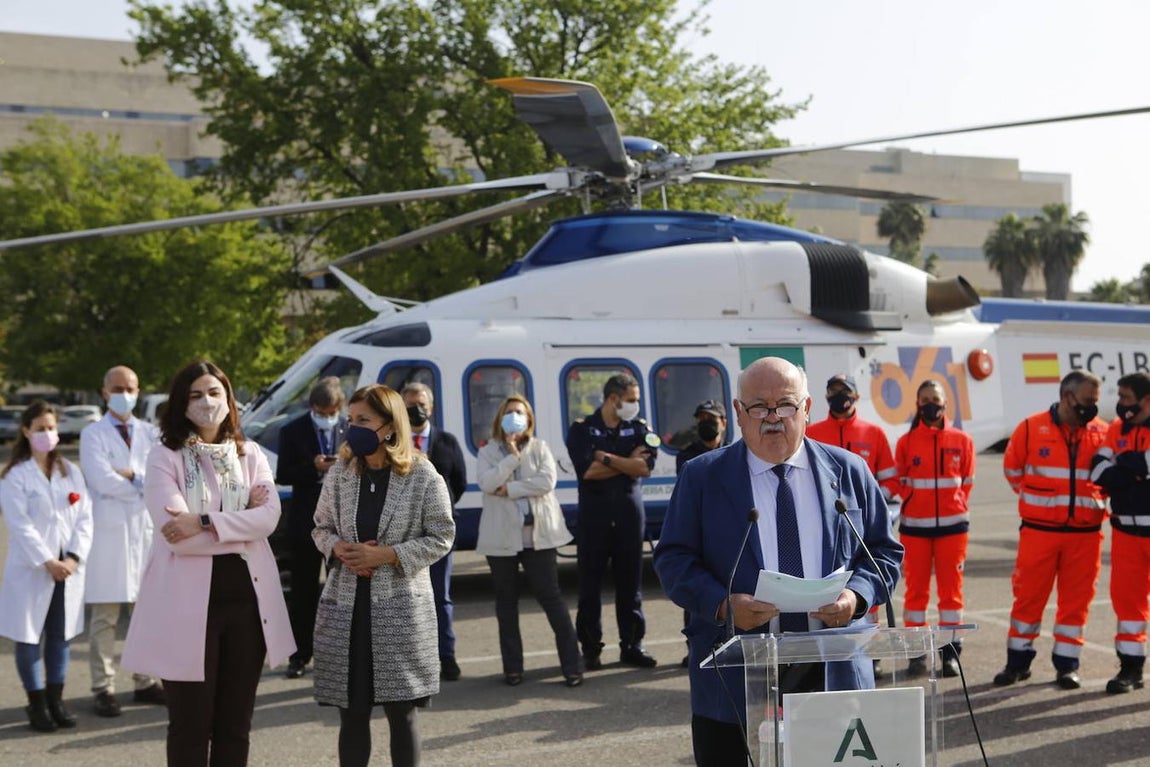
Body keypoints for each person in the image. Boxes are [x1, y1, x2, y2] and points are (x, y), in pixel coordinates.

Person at [653, 357, 902, 767]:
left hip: (832, 672)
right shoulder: (702, 477)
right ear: (738, 413)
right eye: (758, 407)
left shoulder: (849, 471)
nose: (772, 418)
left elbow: (884, 552)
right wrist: (721, 604)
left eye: (785, 405)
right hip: (734, 675)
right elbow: (674, 559)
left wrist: (857, 597)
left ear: (806, 409)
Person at [121, 360, 295, 766]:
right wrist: (240, 526)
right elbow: (176, 537)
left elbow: (268, 520)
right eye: (196, 395)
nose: (207, 402)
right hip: (186, 611)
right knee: (190, 725)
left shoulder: (249, 453)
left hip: (247, 607)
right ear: (180, 402)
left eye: (215, 393)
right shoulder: (164, 457)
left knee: (236, 725)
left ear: (230, 400)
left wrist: (203, 520)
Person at [312, 384, 455, 767]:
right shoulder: (342, 472)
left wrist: (388, 554)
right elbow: (320, 527)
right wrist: (337, 548)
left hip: (400, 612)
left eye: (364, 420)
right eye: (351, 420)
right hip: (348, 609)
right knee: (352, 713)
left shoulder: (423, 474)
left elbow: (442, 536)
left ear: (390, 426)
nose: (352, 428)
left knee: (401, 711)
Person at [994, 369, 1108, 690]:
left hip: (1086, 536)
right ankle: (1017, 663)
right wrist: (1042, 504)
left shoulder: (1103, 432)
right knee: (1028, 598)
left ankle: (1067, 666)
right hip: (1039, 533)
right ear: (1067, 397)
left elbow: (1109, 479)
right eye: (1089, 400)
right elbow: (1013, 470)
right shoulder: (1030, 428)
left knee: (1076, 603)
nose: (1093, 406)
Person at [475, 394, 583, 688]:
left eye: (519, 413)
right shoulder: (488, 452)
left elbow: (547, 482)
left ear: (529, 419)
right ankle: (513, 669)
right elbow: (486, 483)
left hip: (540, 537)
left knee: (552, 599)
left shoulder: (540, 447)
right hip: (501, 540)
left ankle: (572, 666)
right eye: (509, 412)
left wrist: (508, 488)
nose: (514, 417)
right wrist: (511, 457)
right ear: (500, 418)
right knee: (506, 604)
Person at [0, 401, 93, 733]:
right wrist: (48, 561)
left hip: (67, 570)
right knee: (28, 638)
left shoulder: (70, 470)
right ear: (26, 431)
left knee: (60, 636)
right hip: (33, 570)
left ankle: (56, 700)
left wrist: (73, 558)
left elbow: (85, 518)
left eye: (51, 428)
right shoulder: (14, 476)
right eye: (40, 428)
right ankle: (36, 703)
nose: (48, 434)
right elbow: (20, 525)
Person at [79, 365, 166, 717]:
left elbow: (161, 478)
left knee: (146, 614)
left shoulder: (151, 433)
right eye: (117, 387)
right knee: (105, 617)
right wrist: (140, 483)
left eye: (130, 387)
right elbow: (101, 480)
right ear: (104, 392)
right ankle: (104, 687)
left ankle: (144, 680)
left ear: (139, 390)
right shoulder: (92, 435)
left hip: (144, 533)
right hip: (109, 534)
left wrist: (133, 476)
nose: (124, 393)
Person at [565, 372, 660, 670]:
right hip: (594, 518)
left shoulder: (640, 428)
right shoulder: (582, 429)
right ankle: (591, 650)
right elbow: (587, 472)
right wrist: (626, 463)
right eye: (632, 400)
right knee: (589, 586)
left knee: (630, 585)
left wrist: (606, 458)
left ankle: (632, 645)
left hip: (629, 517)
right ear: (613, 399)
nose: (636, 406)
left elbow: (644, 467)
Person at [894, 379, 976, 678]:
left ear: (945, 403)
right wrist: (917, 504)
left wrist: (954, 507)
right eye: (925, 398)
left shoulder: (962, 440)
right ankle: (916, 653)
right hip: (915, 529)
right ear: (918, 404)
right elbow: (900, 482)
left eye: (936, 398)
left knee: (951, 595)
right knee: (915, 595)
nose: (931, 403)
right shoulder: (906, 442)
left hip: (953, 529)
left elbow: (967, 482)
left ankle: (950, 653)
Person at [275, 376, 348, 679]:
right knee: (303, 593)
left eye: (332, 410)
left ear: (339, 406)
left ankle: (338, 654)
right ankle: (299, 654)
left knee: (340, 594)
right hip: (305, 522)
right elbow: (283, 473)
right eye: (321, 410)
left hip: (341, 524)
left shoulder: (349, 428)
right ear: (312, 407)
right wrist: (313, 468)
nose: (327, 415)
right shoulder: (292, 430)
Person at [401, 381, 466, 682]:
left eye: (421, 403)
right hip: (402, 534)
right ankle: (411, 657)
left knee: (440, 596)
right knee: (406, 600)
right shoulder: (393, 442)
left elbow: (459, 483)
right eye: (410, 404)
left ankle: (446, 656)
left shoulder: (447, 441)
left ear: (432, 406)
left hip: (438, 534)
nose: (417, 409)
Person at [1090, 371, 1150, 694]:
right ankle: (1130, 670)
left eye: (1127, 398)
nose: (1121, 404)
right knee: (1128, 605)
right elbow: (1099, 472)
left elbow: (1115, 470)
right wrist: (1137, 467)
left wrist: (1123, 466)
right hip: (1126, 533)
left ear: (1146, 400)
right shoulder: (1116, 429)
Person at [675, 398, 729, 667]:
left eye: (712, 419)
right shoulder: (687, 456)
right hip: (700, 531)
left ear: (724, 423)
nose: (706, 424)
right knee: (697, 592)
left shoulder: (736, 454)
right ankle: (694, 647)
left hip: (727, 532)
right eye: (702, 419)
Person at [806, 374, 900, 503]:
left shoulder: (874, 433)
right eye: (833, 391)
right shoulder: (810, 433)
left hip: (863, 515)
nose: (839, 395)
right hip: (823, 512)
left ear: (856, 396)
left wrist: (875, 502)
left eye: (845, 391)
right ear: (827, 396)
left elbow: (891, 480)